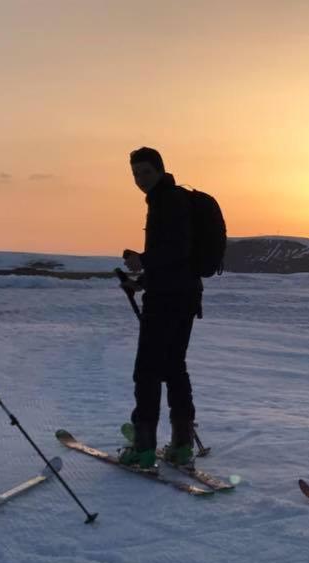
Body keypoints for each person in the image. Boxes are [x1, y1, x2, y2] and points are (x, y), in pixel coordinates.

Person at [119, 147, 202, 468]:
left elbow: (176, 250)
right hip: (183, 296)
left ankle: (143, 448)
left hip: (168, 302)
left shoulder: (166, 201)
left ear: (160, 170)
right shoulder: (172, 199)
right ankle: (181, 446)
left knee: (147, 373)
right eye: (136, 174)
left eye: (145, 173)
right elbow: (177, 259)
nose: (140, 180)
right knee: (174, 368)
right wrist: (142, 281)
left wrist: (143, 261)